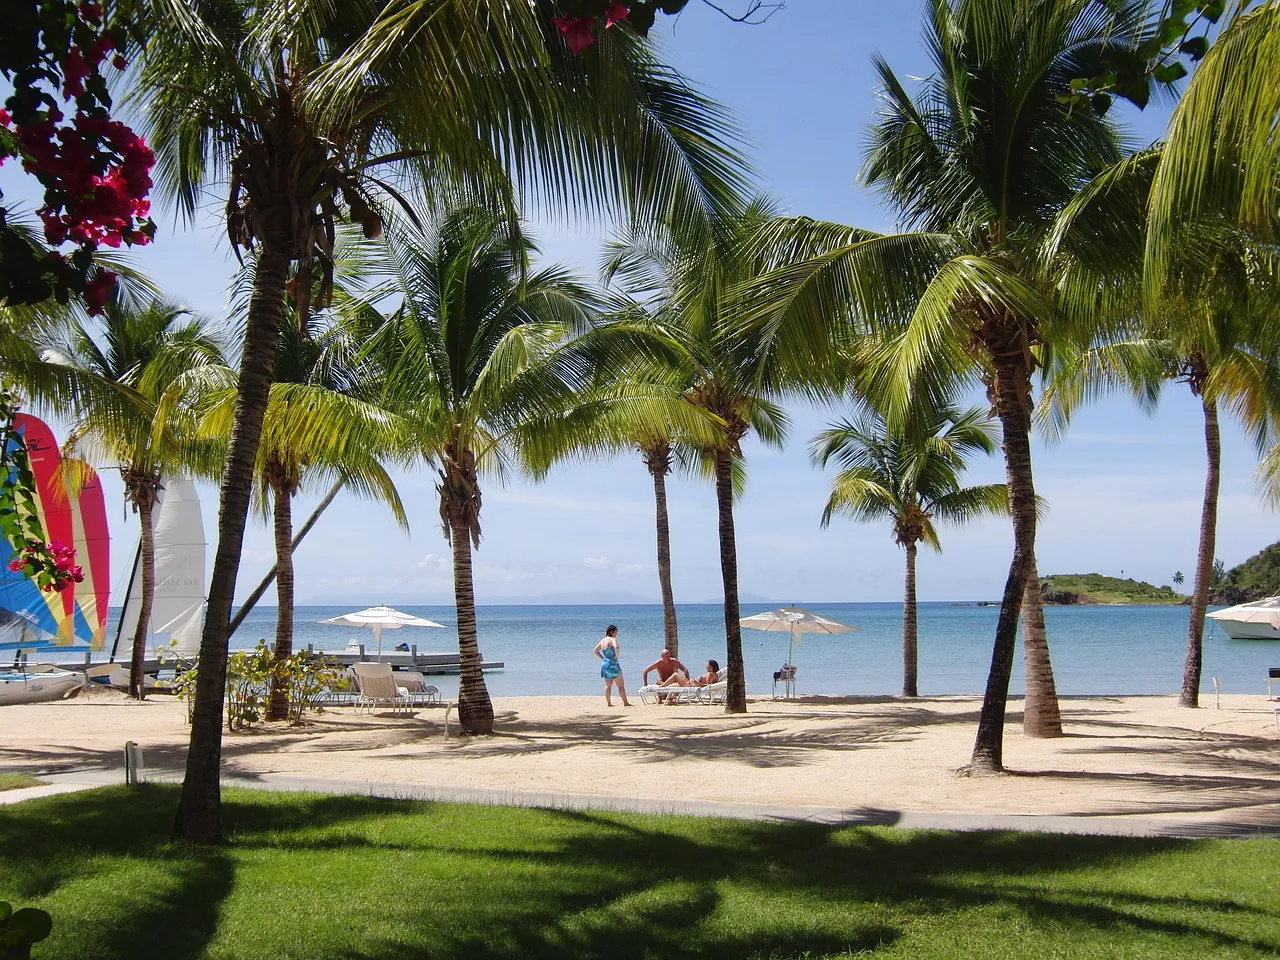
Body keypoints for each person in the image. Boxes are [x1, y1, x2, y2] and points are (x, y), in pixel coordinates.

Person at [594, 625, 631, 707]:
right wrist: (616, 656)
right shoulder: (612, 639)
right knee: (620, 685)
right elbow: (616, 647)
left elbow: (595, 651)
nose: (616, 634)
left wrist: (602, 658)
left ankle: (609, 703)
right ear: (611, 632)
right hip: (613, 663)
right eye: (615, 632)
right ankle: (625, 702)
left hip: (605, 663)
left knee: (608, 685)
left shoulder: (602, 640)